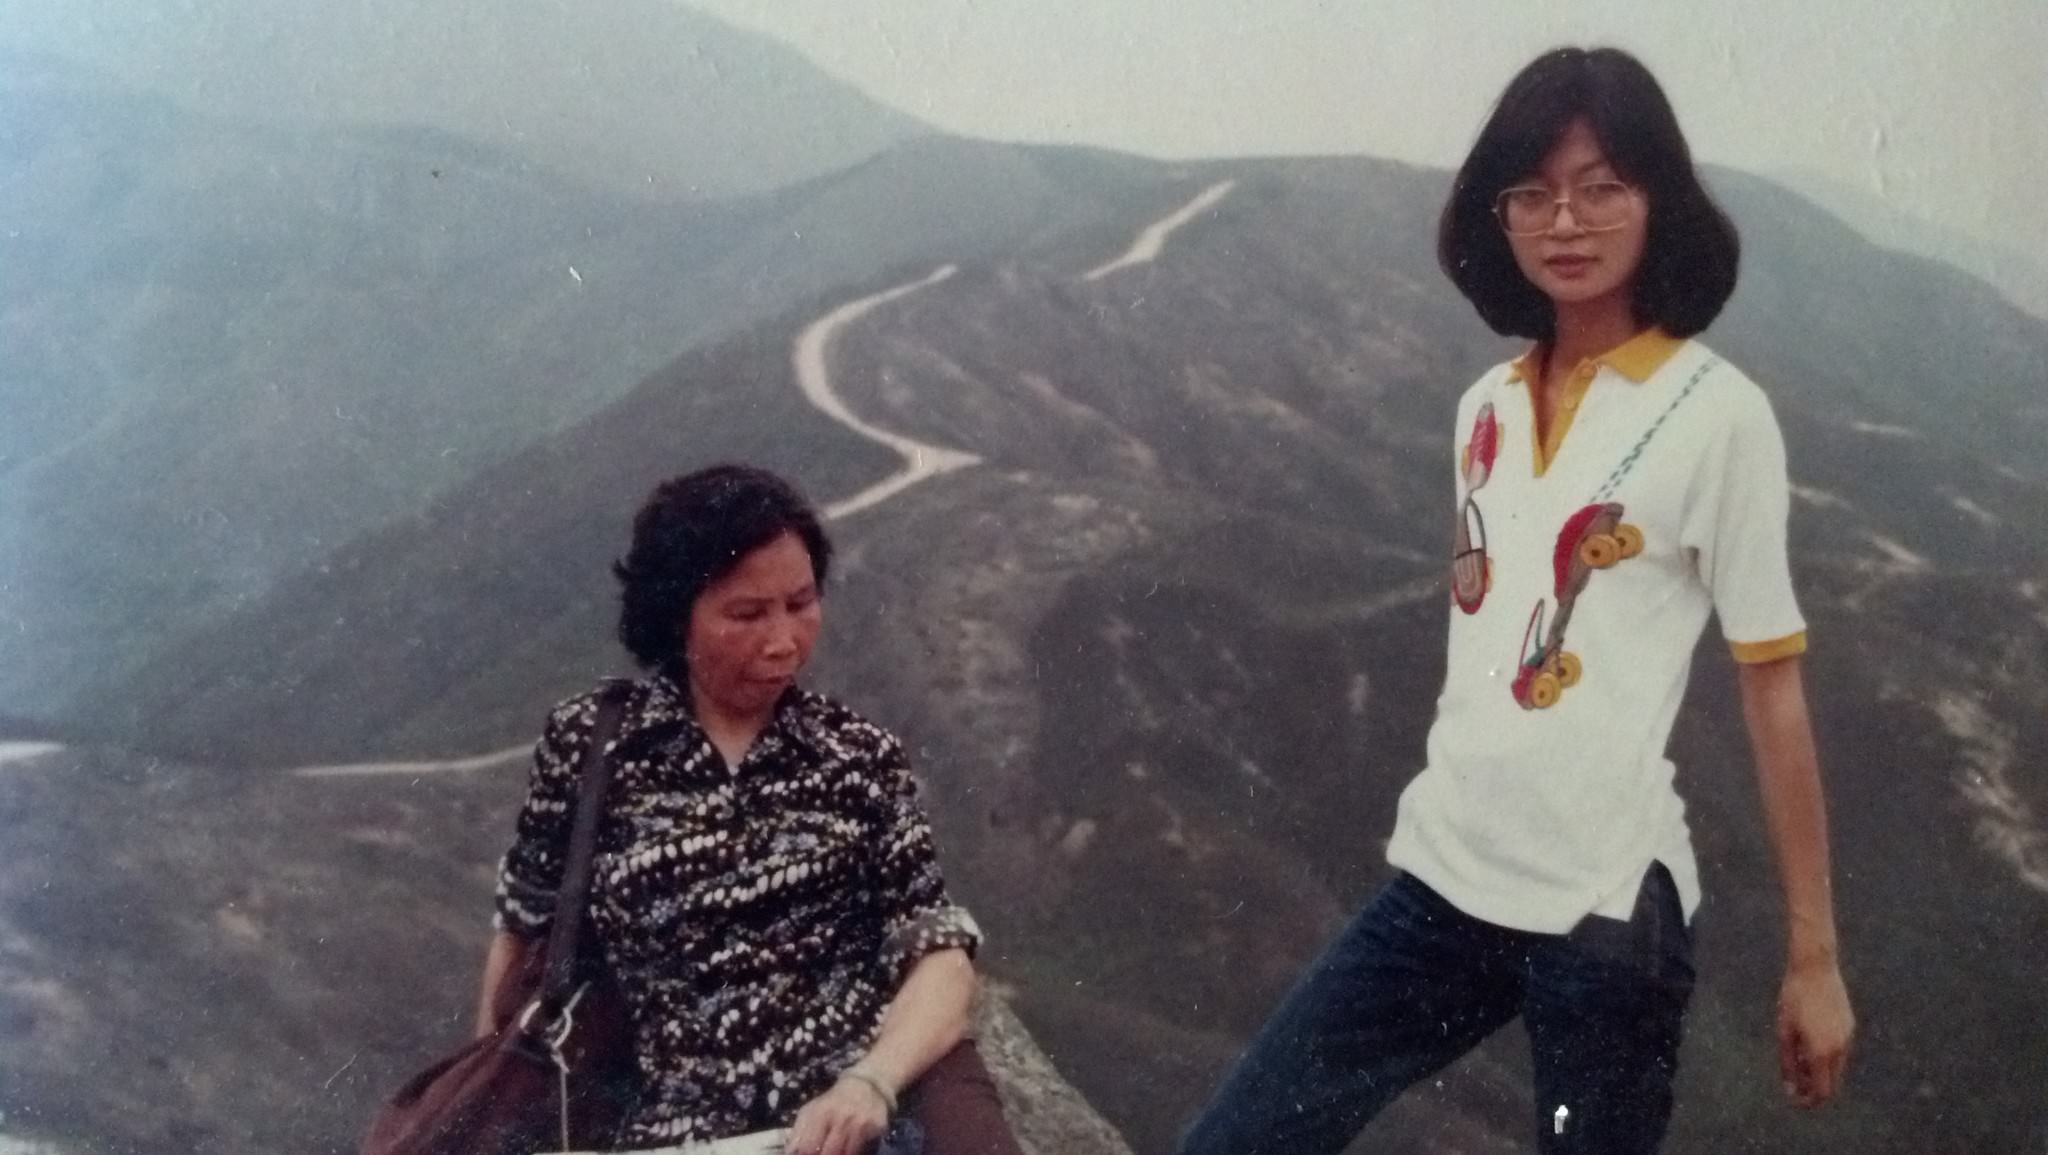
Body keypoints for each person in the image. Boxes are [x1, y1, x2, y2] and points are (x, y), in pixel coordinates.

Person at [1178, 47, 1854, 1155]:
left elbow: (1770, 689)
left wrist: (1813, 958)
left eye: (1600, 187)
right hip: (1445, 877)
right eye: (1530, 193)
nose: (1564, 221)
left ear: (1656, 200)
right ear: (1495, 215)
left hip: (1602, 912)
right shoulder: (1482, 409)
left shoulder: (1716, 415)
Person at [475, 463, 1023, 1155]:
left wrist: (870, 1082)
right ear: (677, 616)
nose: (783, 640)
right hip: (677, 1128)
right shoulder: (592, 744)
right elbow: (523, 925)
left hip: (854, 1119)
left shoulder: (857, 754)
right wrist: (490, 1107)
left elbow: (939, 951)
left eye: (800, 602)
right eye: (746, 613)